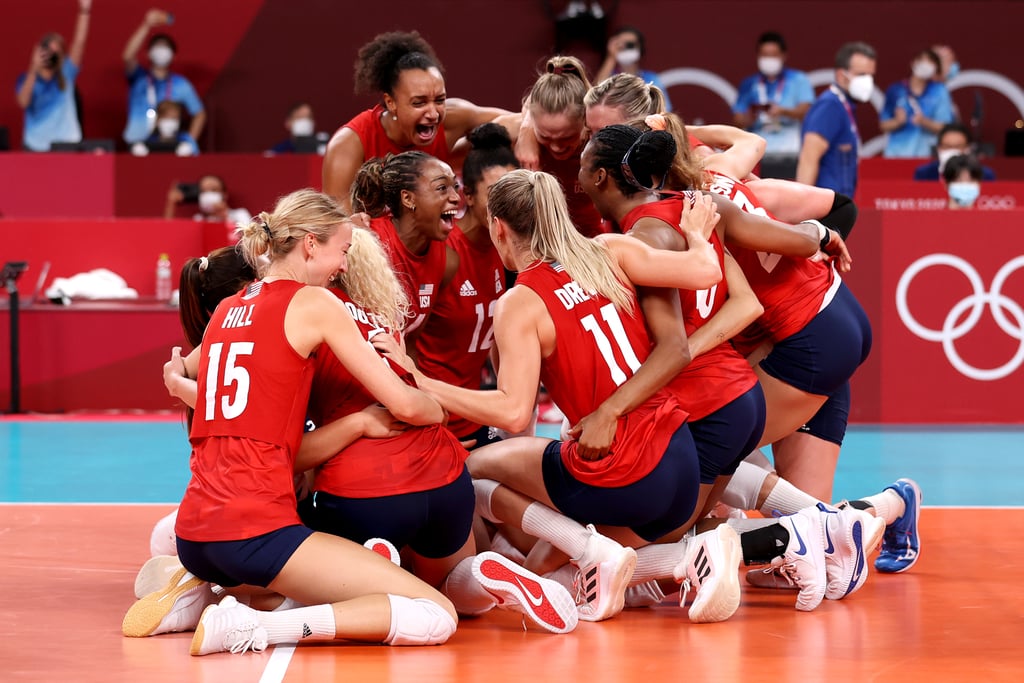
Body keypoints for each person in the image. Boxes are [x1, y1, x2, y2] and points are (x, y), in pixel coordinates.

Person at [125, 189, 459, 656]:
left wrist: (182, 386)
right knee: (435, 613)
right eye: (342, 250)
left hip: (195, 532)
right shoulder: (316, 304)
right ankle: (251, 628)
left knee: (294, 583)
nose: (344, 265)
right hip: (256, 530)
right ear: (309, 244)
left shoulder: (226, 308)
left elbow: (180, 369)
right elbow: (404, 404)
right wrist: (439, 405)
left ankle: (199, 590)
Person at [396, 168, 738, 622]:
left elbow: (514, 413)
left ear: (498, 227)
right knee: (567, 568)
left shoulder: (521, 301)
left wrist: (422, 381)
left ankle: (583, 551)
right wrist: (696, 234)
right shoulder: (608, 250)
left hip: (624, 470)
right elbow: (707, 269)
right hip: (680, 455)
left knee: (471, 472)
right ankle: (693, 555)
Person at [300, 226, 578, 634]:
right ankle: (483, 575)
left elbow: (292, 447)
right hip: (441, 477)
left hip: (362, 490)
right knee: (448, 587)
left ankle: (375, 564)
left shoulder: (306, 318)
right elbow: (432, 413)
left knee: (308, 549)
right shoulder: (385, 325)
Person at [323, 31, 517, 213]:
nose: (433, 113)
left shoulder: (453, 118)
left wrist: (528, 141)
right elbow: (337, 227)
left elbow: (521, 120)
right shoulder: (349, 144)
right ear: (391, 102)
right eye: (419, 103)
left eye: (439, 100)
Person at [412, 123, 519, 446]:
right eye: (495, 194)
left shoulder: (509, 250)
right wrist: (424, 418)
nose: (508, 204)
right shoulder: (444, 252)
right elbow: (404, 344)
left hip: (477, 416)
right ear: (467, 196)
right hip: (434, 422)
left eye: (513, 191)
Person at [350, 151, 459, 336]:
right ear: (408, 199)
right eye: (442, 188)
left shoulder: (447, 261)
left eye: (455, 186)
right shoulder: (366, 243)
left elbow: (409, 341)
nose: (456, 197)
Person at [515, 56, 609, 237]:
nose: (557, 147)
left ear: (586, 120)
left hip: (597, 247)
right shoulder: (515, 130)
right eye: (545, 136)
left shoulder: (604, 136)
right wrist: (525, 130)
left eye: (567, 137)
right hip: (542, 248)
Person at [796, 41, 877, 198]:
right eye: (862, 74)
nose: (868, 81)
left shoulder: (844, 106)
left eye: (871, 75)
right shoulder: (829, 106)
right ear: (841, 75)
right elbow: (808, 159)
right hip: (825, 210)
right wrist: (801, 209)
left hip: (839, 207)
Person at [15, 0, 91, 151]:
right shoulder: (26, 79)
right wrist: (33, 67)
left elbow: (79, 42)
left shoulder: (66, 74)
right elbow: (23, 102)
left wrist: (84, 10)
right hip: (36, 148)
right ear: (39, 51)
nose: (51, 55)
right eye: (48, 50)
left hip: (67, 146)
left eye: (56, 52)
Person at [122, 8, 206, 147]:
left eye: (166, 47)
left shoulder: (181, 84)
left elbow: (199, 114)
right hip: (136, 145)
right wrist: (146, 25)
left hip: (167, 145)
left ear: (173, 55)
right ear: (148, 53)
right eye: (157, 47)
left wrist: (189, 142)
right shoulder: (138, 77)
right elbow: (127, 56)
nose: (161, 51)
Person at [732, 31, 815, 156]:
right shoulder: (749, 84)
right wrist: (750, 116)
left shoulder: (798, 80)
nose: (769, 59)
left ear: (783, 56)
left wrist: (783, 111)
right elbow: (737, 119)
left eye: (773, 55)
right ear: (758, 56)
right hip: (756, 152)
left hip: (790, 151)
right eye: (765, 55)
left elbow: (808, 112)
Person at [879, 48, 954, 158]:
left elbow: (946, 127)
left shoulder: (939, 91)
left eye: (931, 62)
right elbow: (883, 125)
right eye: (923, 60)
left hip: (926, 155)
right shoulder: (896, 90)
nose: (926, 65)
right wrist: (897, 122)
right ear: (913, 63)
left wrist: (924, 122)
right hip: (895, 155)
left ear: (935, 68)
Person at [593, 26, 673, 112]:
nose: (625, 48)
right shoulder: (610, 76)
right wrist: (611, 56)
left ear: (640, 48)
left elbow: (664, 110)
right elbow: (595, 94)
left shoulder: (652, 78)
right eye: (620, 44)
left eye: (630, 44)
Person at [164, 174, 251, 231]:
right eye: (204, 191)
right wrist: (171, 204)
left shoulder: (240, 214)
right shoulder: (197, 220)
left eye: (214, 190)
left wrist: (225, 216)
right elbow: (168, 232)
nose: (208, 194)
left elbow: (251, 241)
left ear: (224, 194)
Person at [913, 122, 996, 181]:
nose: (952, 151)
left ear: (968, 149)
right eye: (947, 147)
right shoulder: (924, 174)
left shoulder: (984, 174)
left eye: (958, 147)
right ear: (939, 148)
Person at [133, 99, 198, 156]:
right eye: (167, 118)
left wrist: (190, 153)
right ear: (158, 120)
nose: (170, 122)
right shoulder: (149, 140)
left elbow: (197, 156)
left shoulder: (185, 139)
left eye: (174, 118)